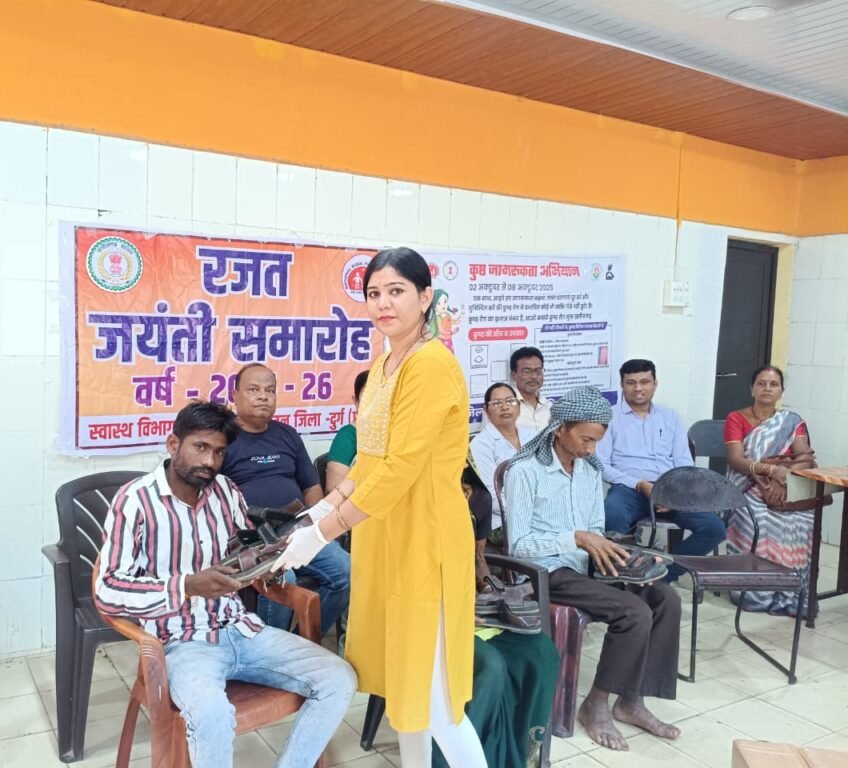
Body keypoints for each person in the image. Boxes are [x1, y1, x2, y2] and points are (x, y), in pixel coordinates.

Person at [274, 247, 487, 767]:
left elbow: (399, 469)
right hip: (384, 536)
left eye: (396, 291)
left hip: (425, 540)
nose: (383, 303)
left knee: (436, 704)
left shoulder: (431, 365)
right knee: (402, 692)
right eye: (374, 293)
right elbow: (368, 460)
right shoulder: (385, 364)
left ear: (425, 298)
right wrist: (322, 509)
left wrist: (324, 533)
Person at [94, 401, 356, 768]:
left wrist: (266, 564)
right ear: (173, 444)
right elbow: (107, 590)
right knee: (212, 715)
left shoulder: (225, 490)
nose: (210, 461)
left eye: (218, 452)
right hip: (181, 642)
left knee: (339, 678)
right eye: (200, 447)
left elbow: (242, 550)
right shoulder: (135, 501)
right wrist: (186, 586)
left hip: (242, 630)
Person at [503, 386, 682, 752]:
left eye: (596, 441)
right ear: (560, 429)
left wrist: (626, 559)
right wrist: (576, 539)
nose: (590, 448)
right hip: (544, 572)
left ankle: (631, 700)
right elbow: (518, 545)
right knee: (633, 612)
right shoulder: (525, 472)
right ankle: (596, 703)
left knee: (665, 598)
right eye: (585, 439)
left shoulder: (588, 470)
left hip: (586, 566)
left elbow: (596, 530)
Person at [221, 364, 351, 635]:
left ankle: (303, 641)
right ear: (235, 395)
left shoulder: (287, 434)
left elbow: (311, 487)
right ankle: (270, 646)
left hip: (297, 528)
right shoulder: (223, 439)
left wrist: (317, 527)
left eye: (270, 390)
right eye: (253, 390)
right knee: (284, 578)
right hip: (252, 538)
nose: (263, 396)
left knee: (346, 570)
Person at [446, 475, 559, 768]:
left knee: (542, 653)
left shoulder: (476, 497)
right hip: (427, 616)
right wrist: (449, 609)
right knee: (491, 665)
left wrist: (490, 591)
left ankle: (520, 753)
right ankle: (465, 759)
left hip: (474, 610)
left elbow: (478, 559)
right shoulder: (411, 495)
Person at [599, 359, 726, 580]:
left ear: (655, 384)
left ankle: (662, 575)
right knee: (612, 515)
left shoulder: (671, 417)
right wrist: (639, 484)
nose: (638, 388)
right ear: (622, 385)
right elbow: (601, 464)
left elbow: (684, 462)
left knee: (714, 527)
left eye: (644, 382)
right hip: (629, 487)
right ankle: (621, 579)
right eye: (631, 382)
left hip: (669, 488)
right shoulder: (609, 417)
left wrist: (673, 490)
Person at [723, 365, 816, 615]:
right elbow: (736, 460)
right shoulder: (736, 418)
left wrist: (780, 479)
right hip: (746, 485)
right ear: (752, 389)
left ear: (781, 391)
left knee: (803, 522)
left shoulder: (791, 421)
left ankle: (790, 594)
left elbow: (805, 458)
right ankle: (755, 595)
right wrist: (771, 471)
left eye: (773, 384)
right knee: (758, 521)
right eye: (761, 383)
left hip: (784, 485)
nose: (767, 388)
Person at [469, 382, 536, 494]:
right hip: (505, 504)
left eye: (510, 401)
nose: (505, 407)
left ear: (519, 406)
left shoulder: (533, 435)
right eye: (496, 403)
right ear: (486, 410)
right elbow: (493, 493)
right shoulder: (480, 444)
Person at [325, 370, 369, 494]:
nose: (374, 404)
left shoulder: (398, 434)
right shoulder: (348, 436)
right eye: (367, 397)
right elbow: (334, 489)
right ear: (356, 402)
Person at [510, 346, 552, 431]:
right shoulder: (502, 407)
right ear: (514, 375)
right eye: (527, 371)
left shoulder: (549, 406)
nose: (533, 376)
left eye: (538, 371)